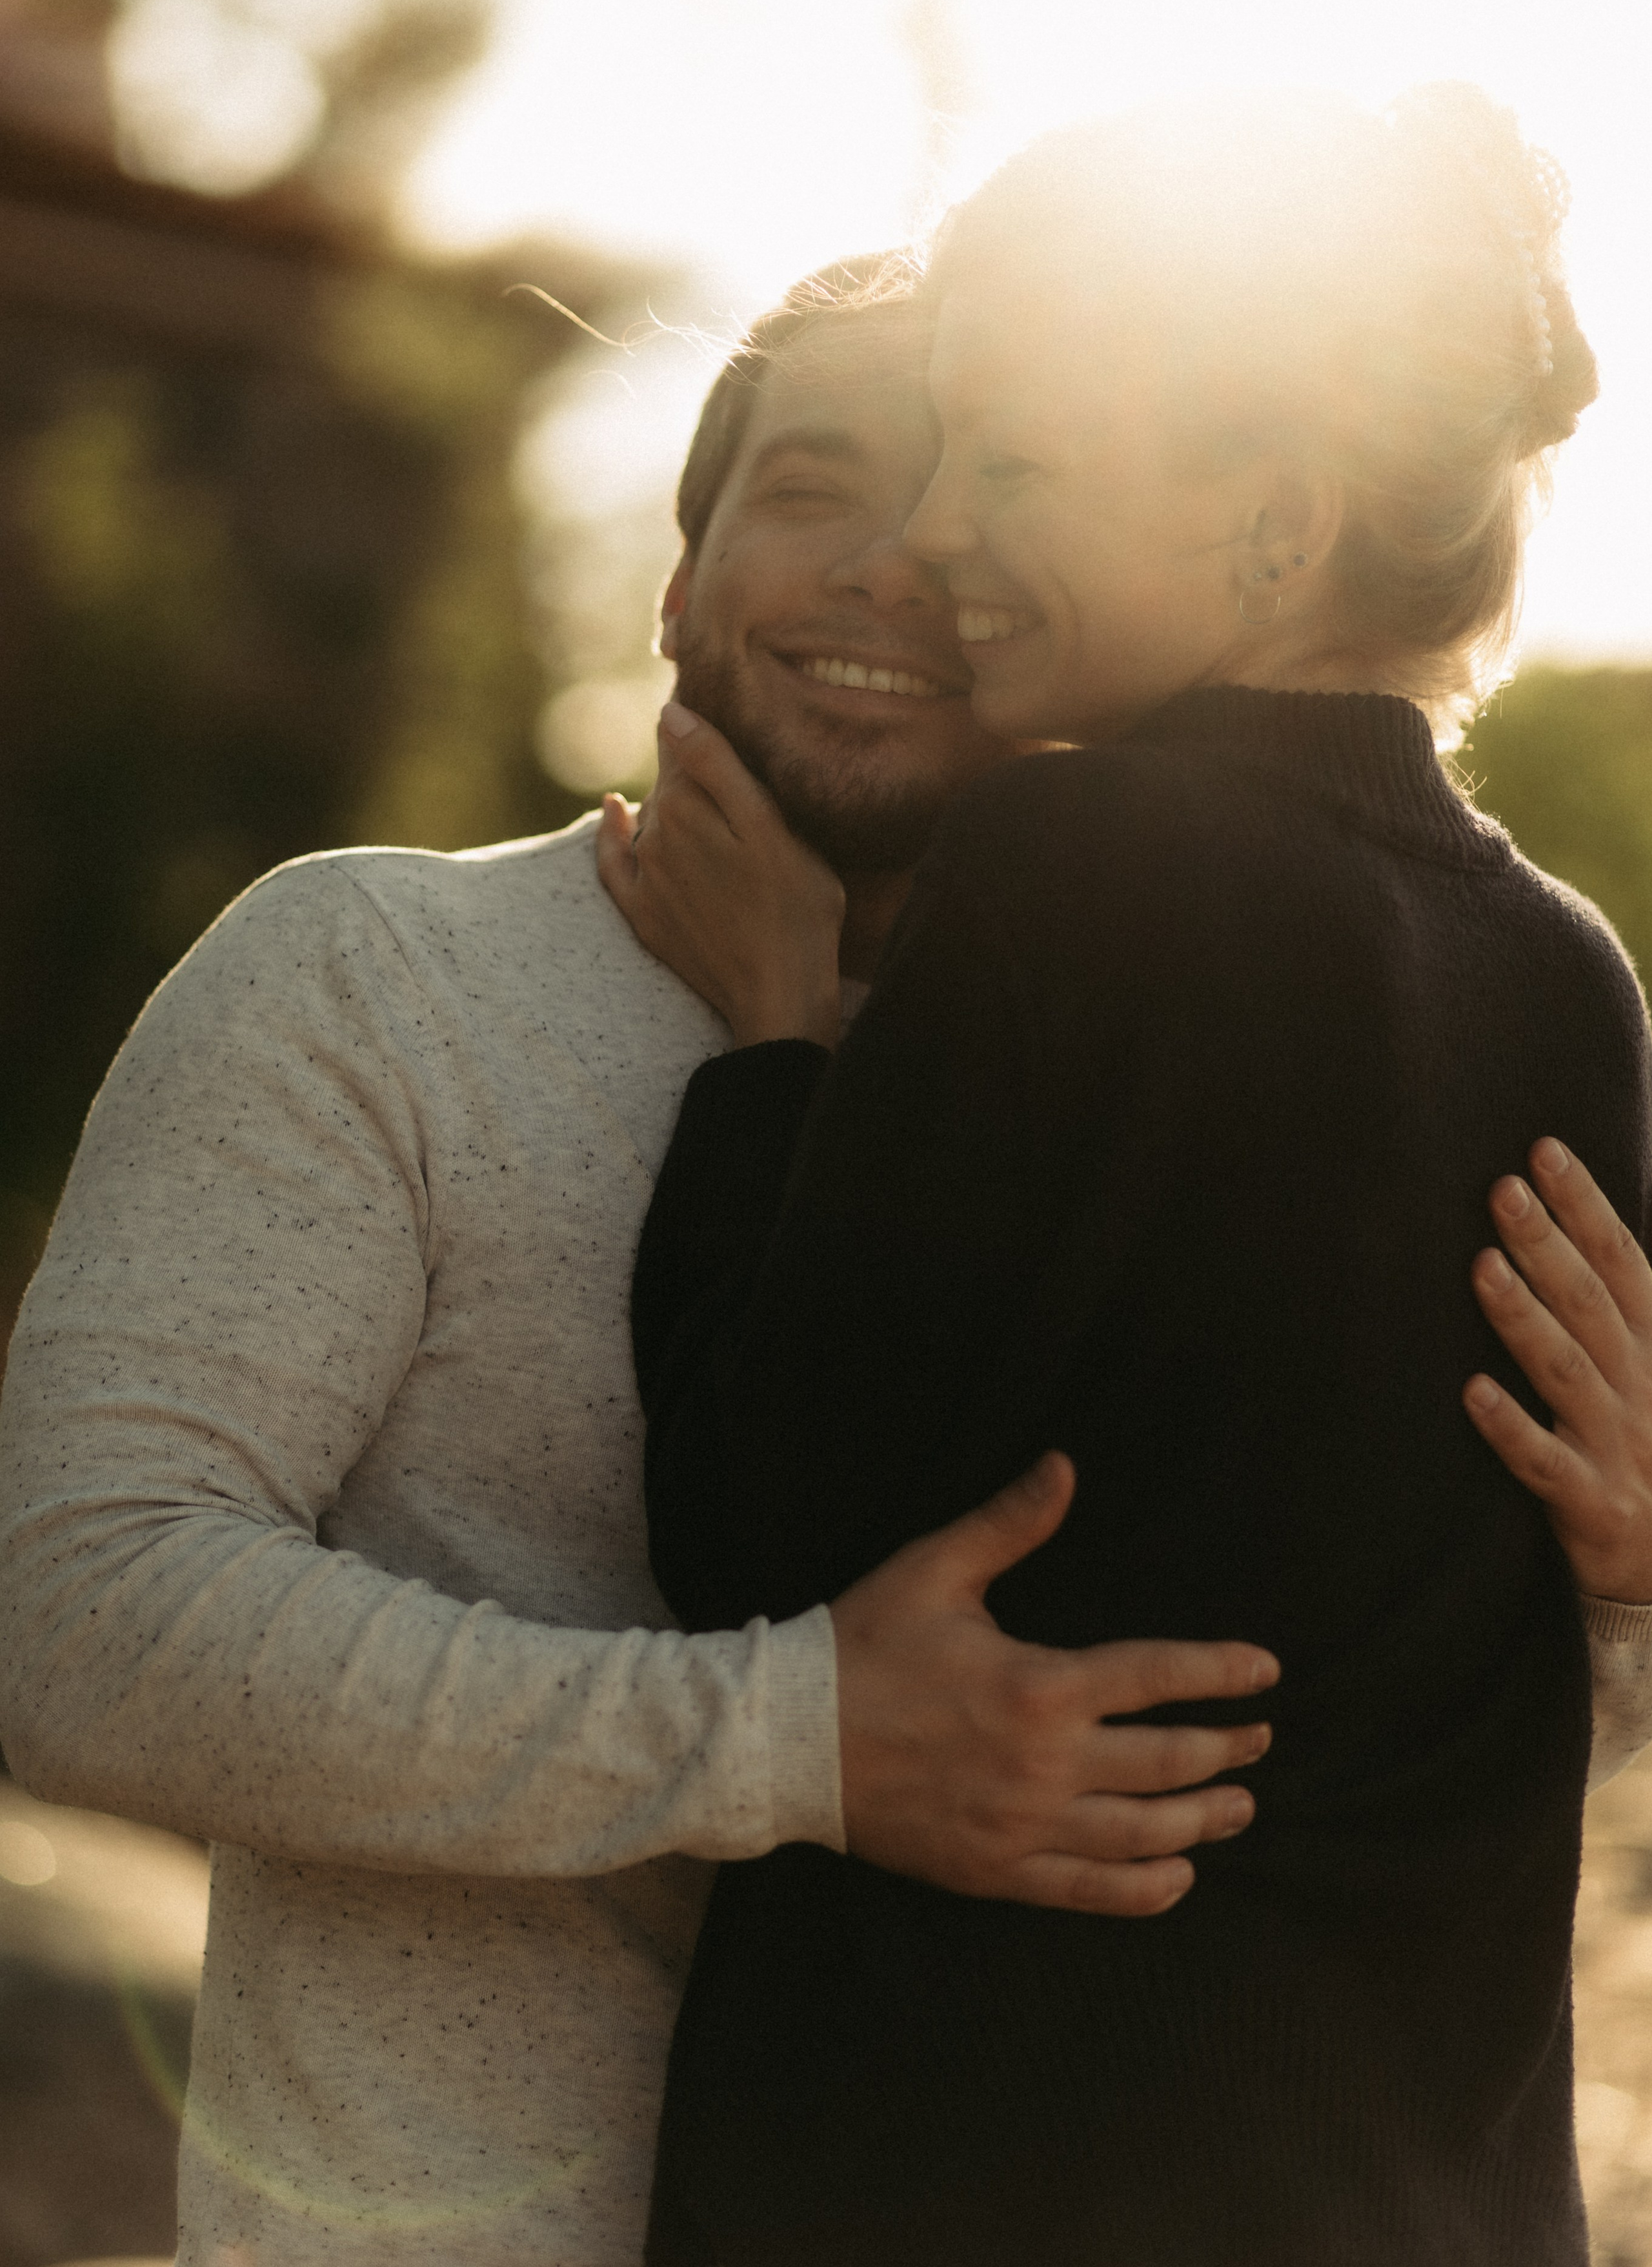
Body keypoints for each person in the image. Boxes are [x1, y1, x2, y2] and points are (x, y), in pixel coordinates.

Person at [0, 248, 1646, 2267]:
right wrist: (799, 1740)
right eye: (815, 488)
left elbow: (1339, 1759)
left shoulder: (1250, 1056)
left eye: (988, 479)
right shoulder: (376, 973)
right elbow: (81, 1626)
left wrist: (1628, 1583)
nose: (910, 553)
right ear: (679, 578)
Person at [603, 92, 1652, 2266]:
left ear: (1273, 527)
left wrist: (775, 1046)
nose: (938, 532)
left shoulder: (1074, 863)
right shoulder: (1571, 973)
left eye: (1010, 462)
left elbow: (745, 1535)